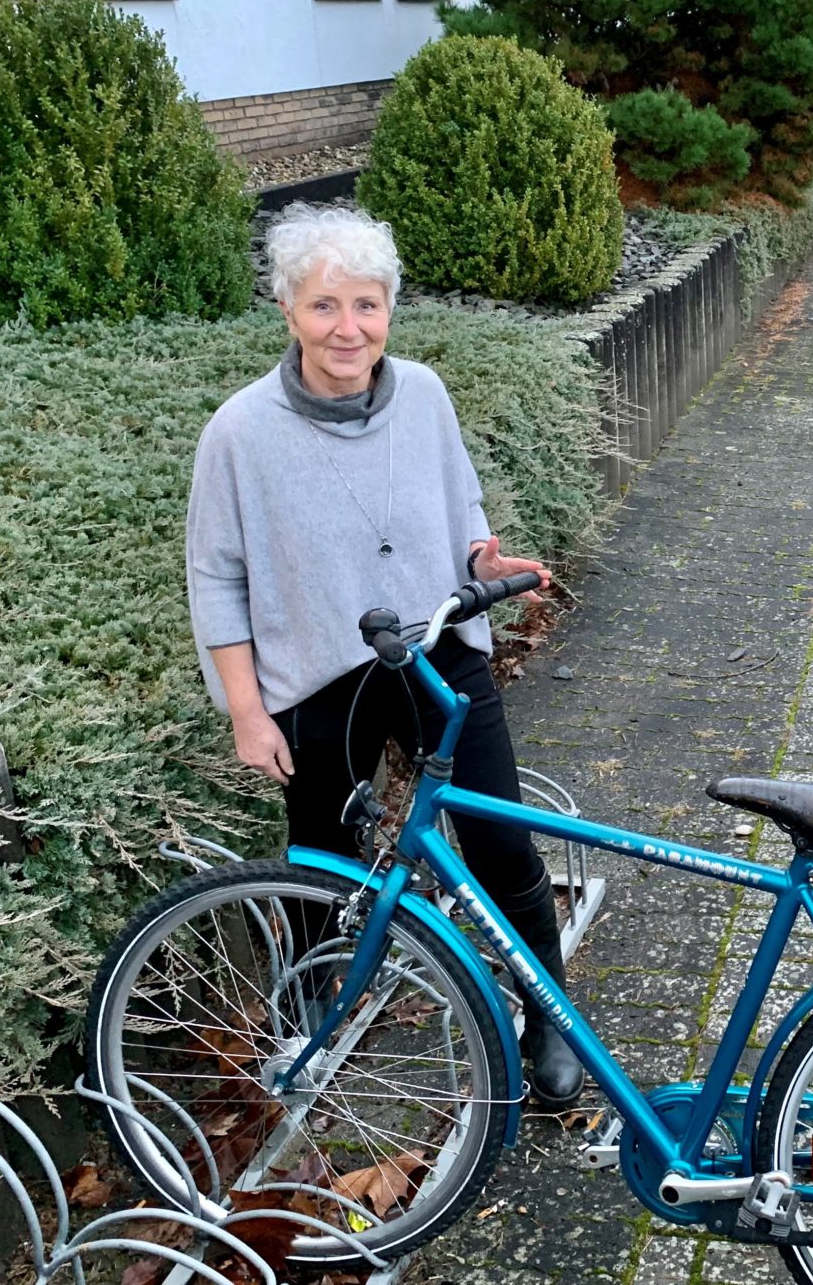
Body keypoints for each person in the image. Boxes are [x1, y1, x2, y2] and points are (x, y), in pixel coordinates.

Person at [184, 202, 583, 1107]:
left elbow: (463, 510)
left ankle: (546, 1014)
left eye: (366, 305)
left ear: (389, 311)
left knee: (497, 836)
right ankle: (308, 1006)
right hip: (319, 676)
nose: (347, 328)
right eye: (325, 306)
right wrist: (247, 711)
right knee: (318, 856)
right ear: (288, 310)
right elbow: (215, 579)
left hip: (437, 652)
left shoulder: (427, 395)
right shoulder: (239, 433)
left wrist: (486, 561)